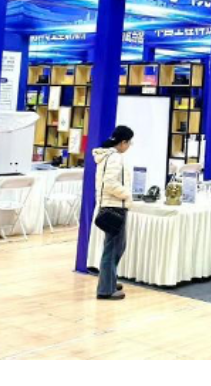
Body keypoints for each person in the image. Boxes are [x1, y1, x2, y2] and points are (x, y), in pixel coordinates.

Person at [93, 126, 134, 300]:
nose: (130, 146)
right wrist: (127, 194)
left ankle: (109, 280)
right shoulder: (115, 158)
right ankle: (105, 289)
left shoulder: (108, 156)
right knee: (113, 248)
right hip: (115, 206)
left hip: (112, 204)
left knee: (116, 246)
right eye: (129, 142)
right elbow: (109, 183)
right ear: (123, 142)